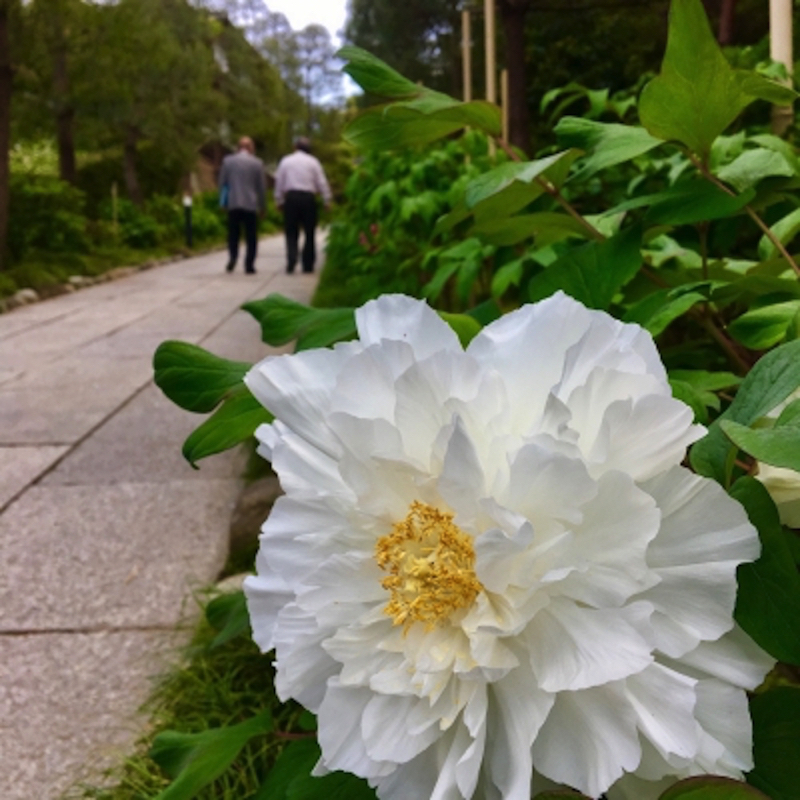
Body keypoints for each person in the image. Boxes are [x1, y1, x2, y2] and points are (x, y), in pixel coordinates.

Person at [274, 137, 332, 274]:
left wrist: (279, 200)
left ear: (295, 147)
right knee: (309, 232)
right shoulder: (313, 162)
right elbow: (321, 182)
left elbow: (279, 181)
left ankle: (292, 259)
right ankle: (308, 264)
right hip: (308, 199)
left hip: (291, 198)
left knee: (291, 231)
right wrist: (326, 199)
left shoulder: (286, 161)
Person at [218, 136, 266, 274]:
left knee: (233, 233)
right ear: (251, 148)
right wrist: (262, 206)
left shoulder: (228, 161)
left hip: (233, 203)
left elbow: (222, 183)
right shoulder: (257, 163)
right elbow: (261, 187)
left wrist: (222, 202)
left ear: (238, 147)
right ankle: (249, 264)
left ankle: (233, 257)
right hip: (250, 204)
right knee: (251, 235)